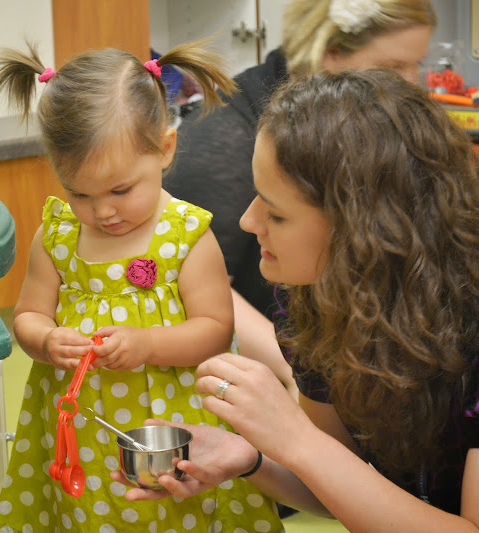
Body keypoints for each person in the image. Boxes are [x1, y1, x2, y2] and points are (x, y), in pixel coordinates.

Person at [112, 68, 479, 530]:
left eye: (277, 214)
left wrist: (297, 439)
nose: (248, 222)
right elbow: (339, 483)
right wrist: (250, 459)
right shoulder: (319, 303)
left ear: (365, 230)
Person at [0, 39, 284, 533]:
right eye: (79, 193)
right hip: (81, 429)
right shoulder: (57, 236)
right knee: (87, 514)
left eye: (120, 189)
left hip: (175, 426)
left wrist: (148, 344)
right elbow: (28, 316)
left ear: (165, 149)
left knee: (178, 514)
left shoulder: (185, 236)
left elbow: (215, 329)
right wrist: (45, 339)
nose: (103, 211)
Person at [164, 0, 437, 320]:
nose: (412, 83)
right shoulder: (224, 136)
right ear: (329, 52)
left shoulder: (360, 126)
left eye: (417, 64)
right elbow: (189, 287)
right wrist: (283, 350)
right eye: (392, 67)